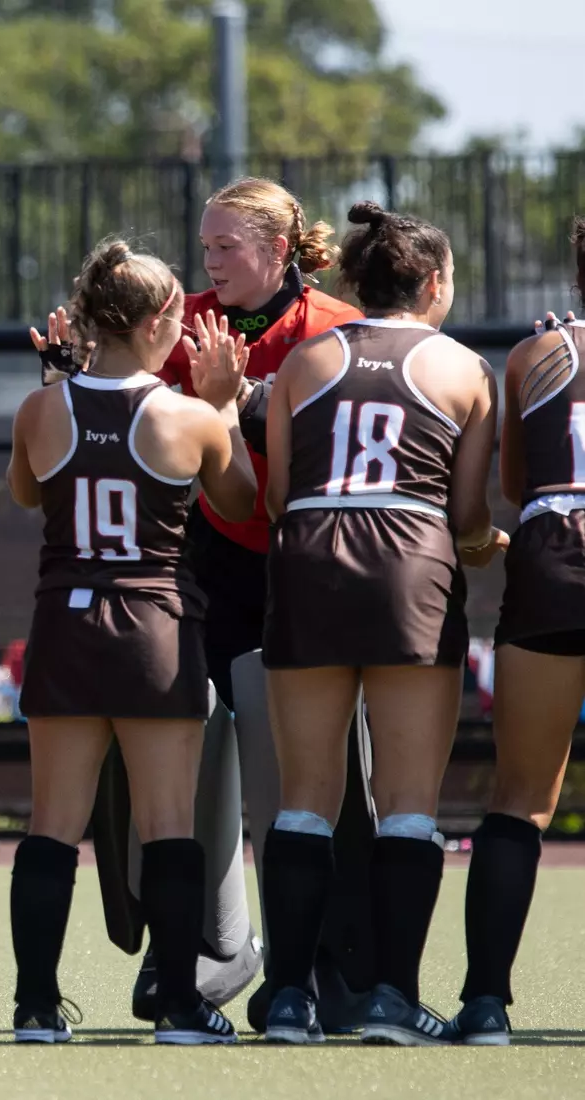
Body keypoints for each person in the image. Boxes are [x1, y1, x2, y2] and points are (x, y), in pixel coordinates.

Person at [81, 177, 376, 1031]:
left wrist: (239, 403)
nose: (207, 260)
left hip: (305, 572)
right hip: (201, 572)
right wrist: (77, 369)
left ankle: (318, 963)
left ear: (278, 250)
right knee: (189, 755)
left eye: (225, 246)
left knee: (307, 774)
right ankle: (208, 949)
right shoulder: (178, 322)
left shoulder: (334, 329)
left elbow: (327, 457)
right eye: (205, 244)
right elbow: (123, 417)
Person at [259, 201, 504, 1046]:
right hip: (411, 564)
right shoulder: (465, 368)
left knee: (304, 801)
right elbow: (467, 515)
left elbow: (277, 498)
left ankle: (288, 999)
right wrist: (482, 544)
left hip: (309, 557)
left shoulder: (304, 360)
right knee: (407, 802)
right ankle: (393, 999)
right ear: (432, 281)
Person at [8, 241, 255, 1045]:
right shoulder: (188, 416)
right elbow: (242, 502)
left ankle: (36, 1007)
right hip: (155, 628)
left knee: (52, 823)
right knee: (167, 822)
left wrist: (60, 381)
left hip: (66, 625)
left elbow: (25, 491)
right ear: (157, 324)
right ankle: (180, 1006)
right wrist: (224, 405)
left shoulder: (42, 409)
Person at [448, 222, 585, 1045]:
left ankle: (484, 1004)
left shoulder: (536, 353)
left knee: (522, 799)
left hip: (552, 554)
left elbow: (515, 483)